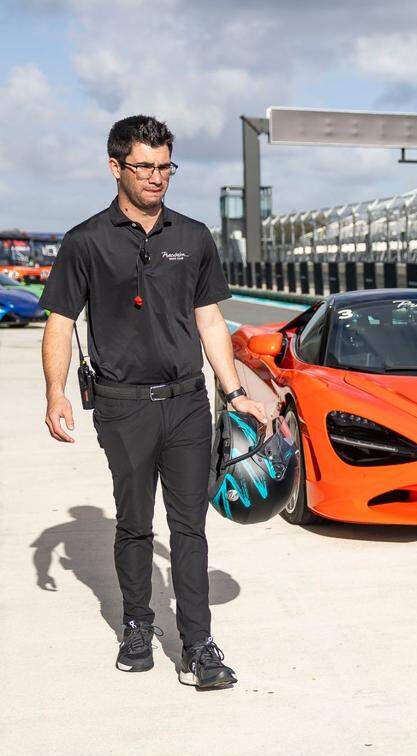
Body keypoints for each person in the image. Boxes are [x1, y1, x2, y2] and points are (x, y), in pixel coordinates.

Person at [39, 115, 267, 690]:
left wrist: (234, 391)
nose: (158, 178)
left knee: (189, 528)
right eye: (145, 167)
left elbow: (210, 318)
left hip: (188, 402)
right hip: (122, 407)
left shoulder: (192, 238)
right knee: (135, 523)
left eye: (166, 167)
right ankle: (137, 623)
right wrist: (54, 393)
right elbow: (61, 322)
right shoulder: (84, 241)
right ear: (115, 166)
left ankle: (198, 643)